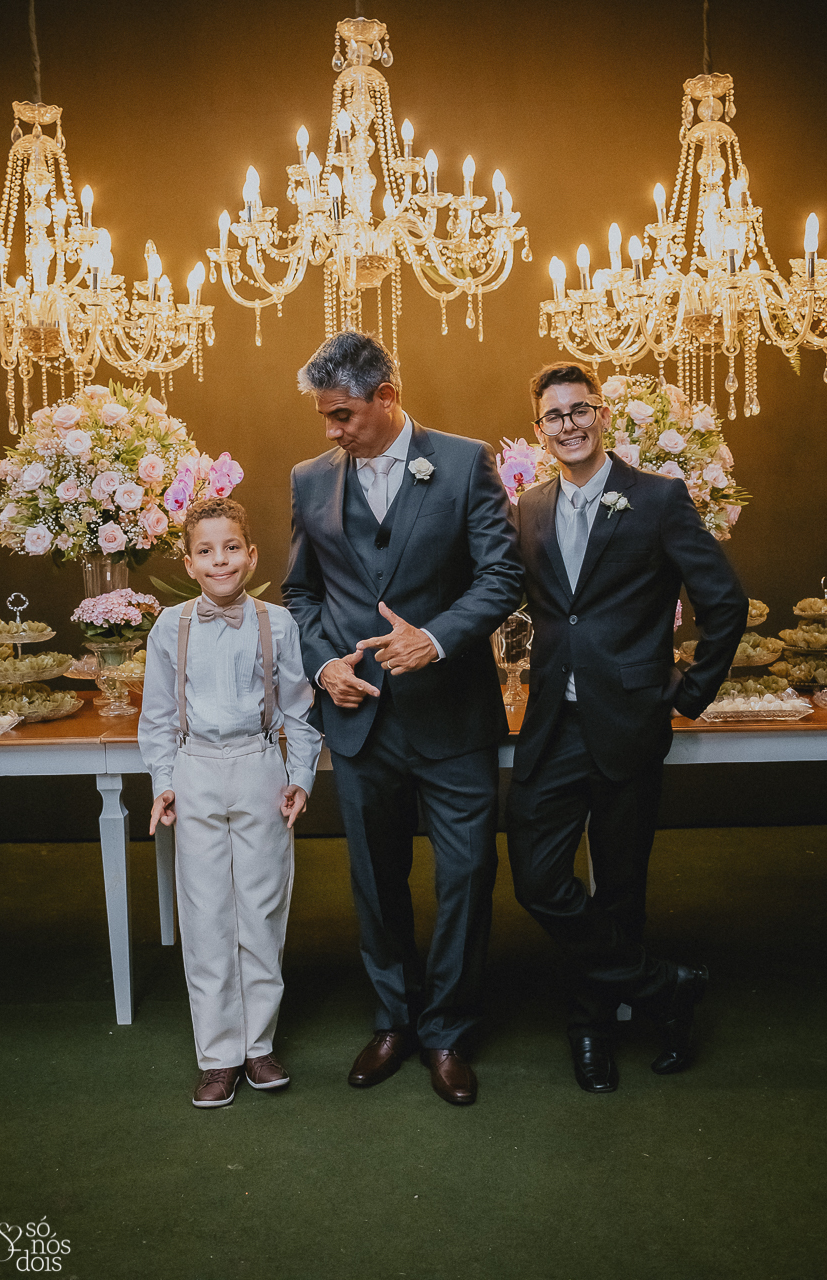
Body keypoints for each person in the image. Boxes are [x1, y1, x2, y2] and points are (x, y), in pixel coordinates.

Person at [282, 331, 524, 1105]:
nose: (332, 430)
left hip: (452, 719)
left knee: (467, 876)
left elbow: (502, 575)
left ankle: (447, 1029)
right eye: (325, 416)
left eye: (343, 415)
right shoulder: (309, 479)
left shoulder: (463, 462)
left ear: (386, 397)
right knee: (375, 881)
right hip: (360, 724)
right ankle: (393, 1018)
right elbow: (300, 594)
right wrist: (325, 665)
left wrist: (436, 637)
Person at [508, 362, 747, 1093]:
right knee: (538, 879)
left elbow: (724, 601)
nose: (569, 424)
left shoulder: (657, 498)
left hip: (628, 722)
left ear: (602, 415)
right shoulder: (529, 508)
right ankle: (664, 987)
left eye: (579, 409)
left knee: (620, 887)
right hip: (553, 724)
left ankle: (592, 1028)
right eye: (554, 415)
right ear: (539, 430)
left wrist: (689, 694)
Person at [140, 496, 322, 1108]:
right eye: (206, 550)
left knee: (262, 909)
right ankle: (217, 1056)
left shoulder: (280, 624)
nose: (220, 560)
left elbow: (299, 711)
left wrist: (300, 777)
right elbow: (158, 718)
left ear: (251, 555)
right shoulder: (170, 627)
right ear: (189, 563)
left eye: (231, 547)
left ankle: (258, 1046)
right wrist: (164, 782)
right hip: (194, 769)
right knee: (205, 915)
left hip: (259, 768)